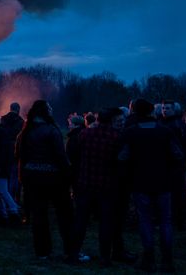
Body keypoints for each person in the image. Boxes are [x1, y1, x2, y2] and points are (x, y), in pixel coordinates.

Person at [118, 98, 182, 273]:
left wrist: (129, 175)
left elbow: (122, 158)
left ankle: (149, 258)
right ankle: (167, 260)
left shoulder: (130, 133)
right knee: (165, 221)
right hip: (163, 183)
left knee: (145, 221)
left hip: (140, 184)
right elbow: (178, 155)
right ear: (151, 112)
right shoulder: (165, 131)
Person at [17, 100, 77, 263]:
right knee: (65, 215)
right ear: (45, 112)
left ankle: (42, 251)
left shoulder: (25, 132)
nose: (51, 110)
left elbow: (20, 156)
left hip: (32, 179)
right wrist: (68, 175)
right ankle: (70, 251)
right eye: (49, 108)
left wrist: (23, 176)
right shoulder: (52, 131)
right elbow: (60, 156)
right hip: (54, 179)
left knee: (39, 216)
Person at [68, 106, 124, 265]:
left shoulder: (84, 134)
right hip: (107, 185)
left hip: (85, 183)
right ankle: (105, 257)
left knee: (80, 221)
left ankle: (73, 253)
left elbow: (78, 156)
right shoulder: (116, 137)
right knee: (106, 223)